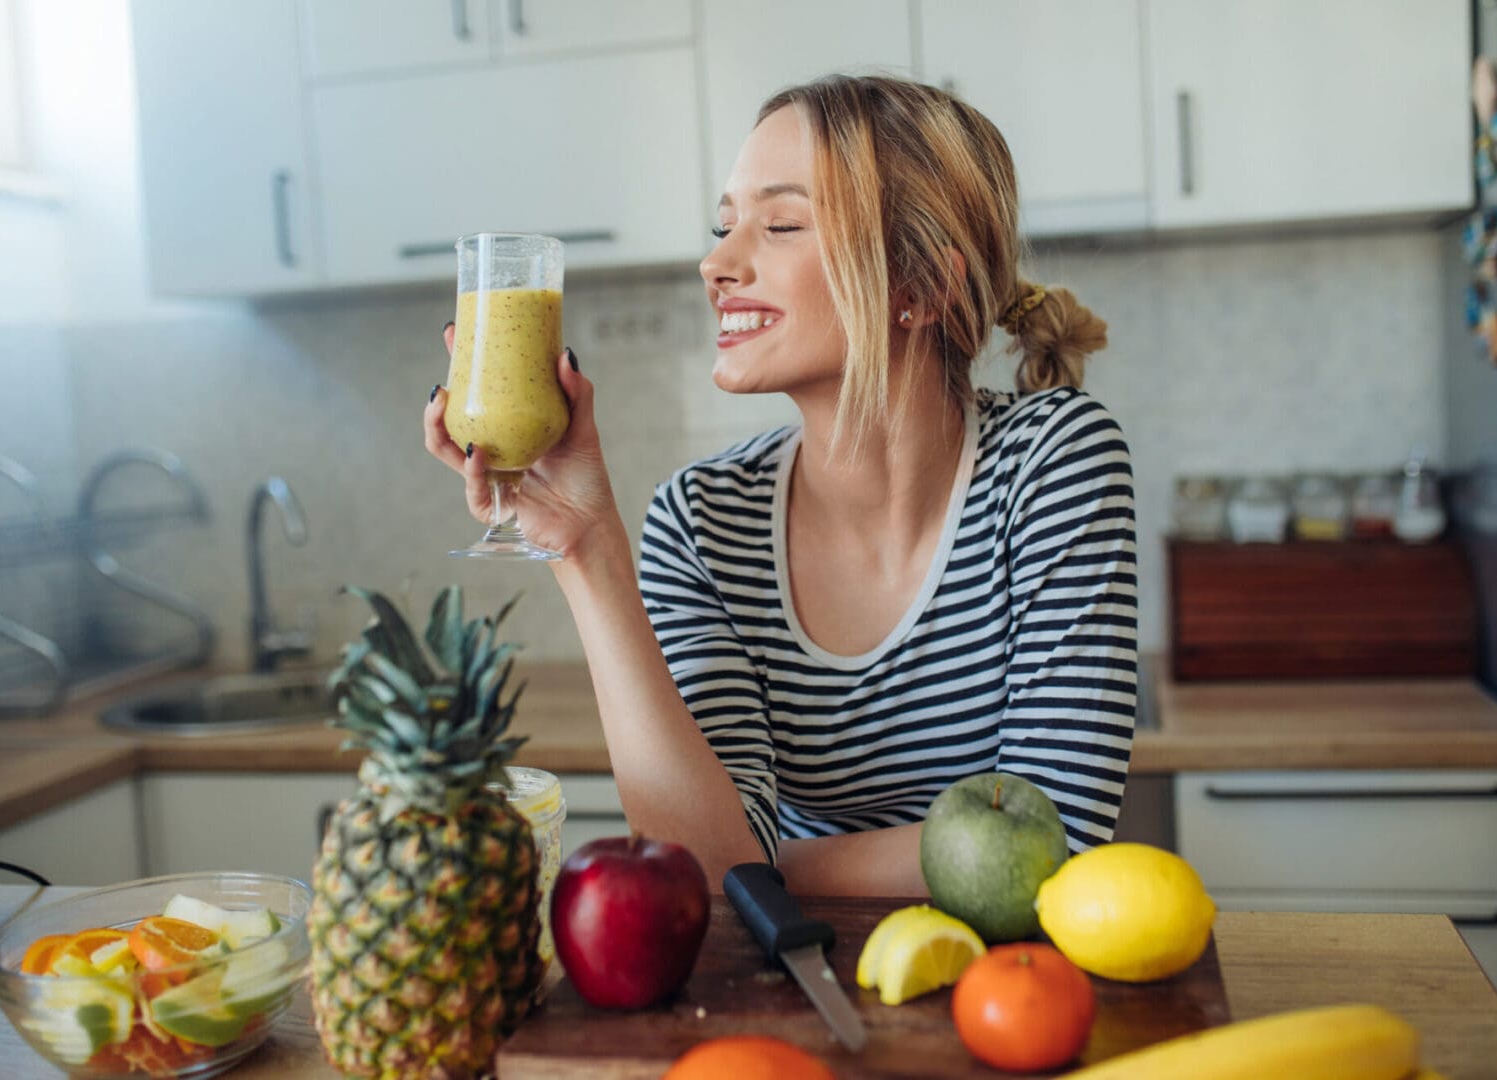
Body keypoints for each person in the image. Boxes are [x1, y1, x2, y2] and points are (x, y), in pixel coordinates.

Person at [424, 75, 1137, 896]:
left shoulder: (1054, 461)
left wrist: (762, 869)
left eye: (782, 224)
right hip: (788, 981)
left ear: (921, 287)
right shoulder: (702, 520)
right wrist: (586, 547)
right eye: (725, 225)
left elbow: (1057, 845)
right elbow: (703, 871)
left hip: (1007, 1002)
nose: (716, 263)